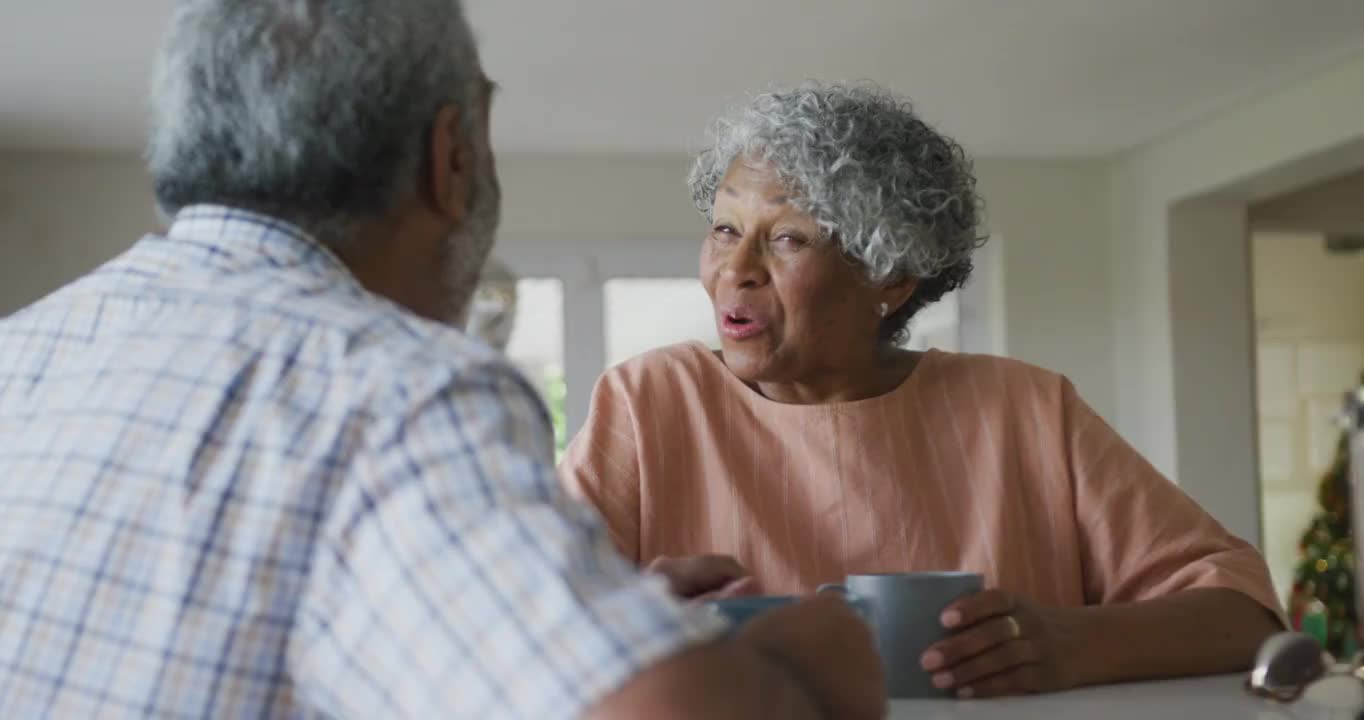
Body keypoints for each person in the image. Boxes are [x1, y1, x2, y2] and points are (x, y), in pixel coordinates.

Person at [0, 4, 884, 718]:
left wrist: (594, 623)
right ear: (450, 157)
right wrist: (810, 656)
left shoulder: (24, 349)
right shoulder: (401, 386)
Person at [560, 82, 1284, 699]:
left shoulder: (1025, 409)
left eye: (787, 240)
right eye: (724, 229)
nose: (734, 268)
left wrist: (1065, 642)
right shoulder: (647, 402)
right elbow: (524, 629)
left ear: (892, 279)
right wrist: (628, 616)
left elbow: (1241, 612)